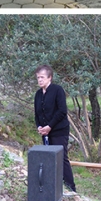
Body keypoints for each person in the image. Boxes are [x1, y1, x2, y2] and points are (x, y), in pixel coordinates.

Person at [34, 64, 76, 193]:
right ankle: (52, 187)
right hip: (45, 132)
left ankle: (70, 187)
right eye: (38, 78)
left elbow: (62, 111)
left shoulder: (57, 90)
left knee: (61, 158)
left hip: (59, 130)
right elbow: (37, 113)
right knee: (48, 159)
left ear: (49, 77)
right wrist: (40, 127)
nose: (40, 80)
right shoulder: (38, 94)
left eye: (42, 77)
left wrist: (49, 126)